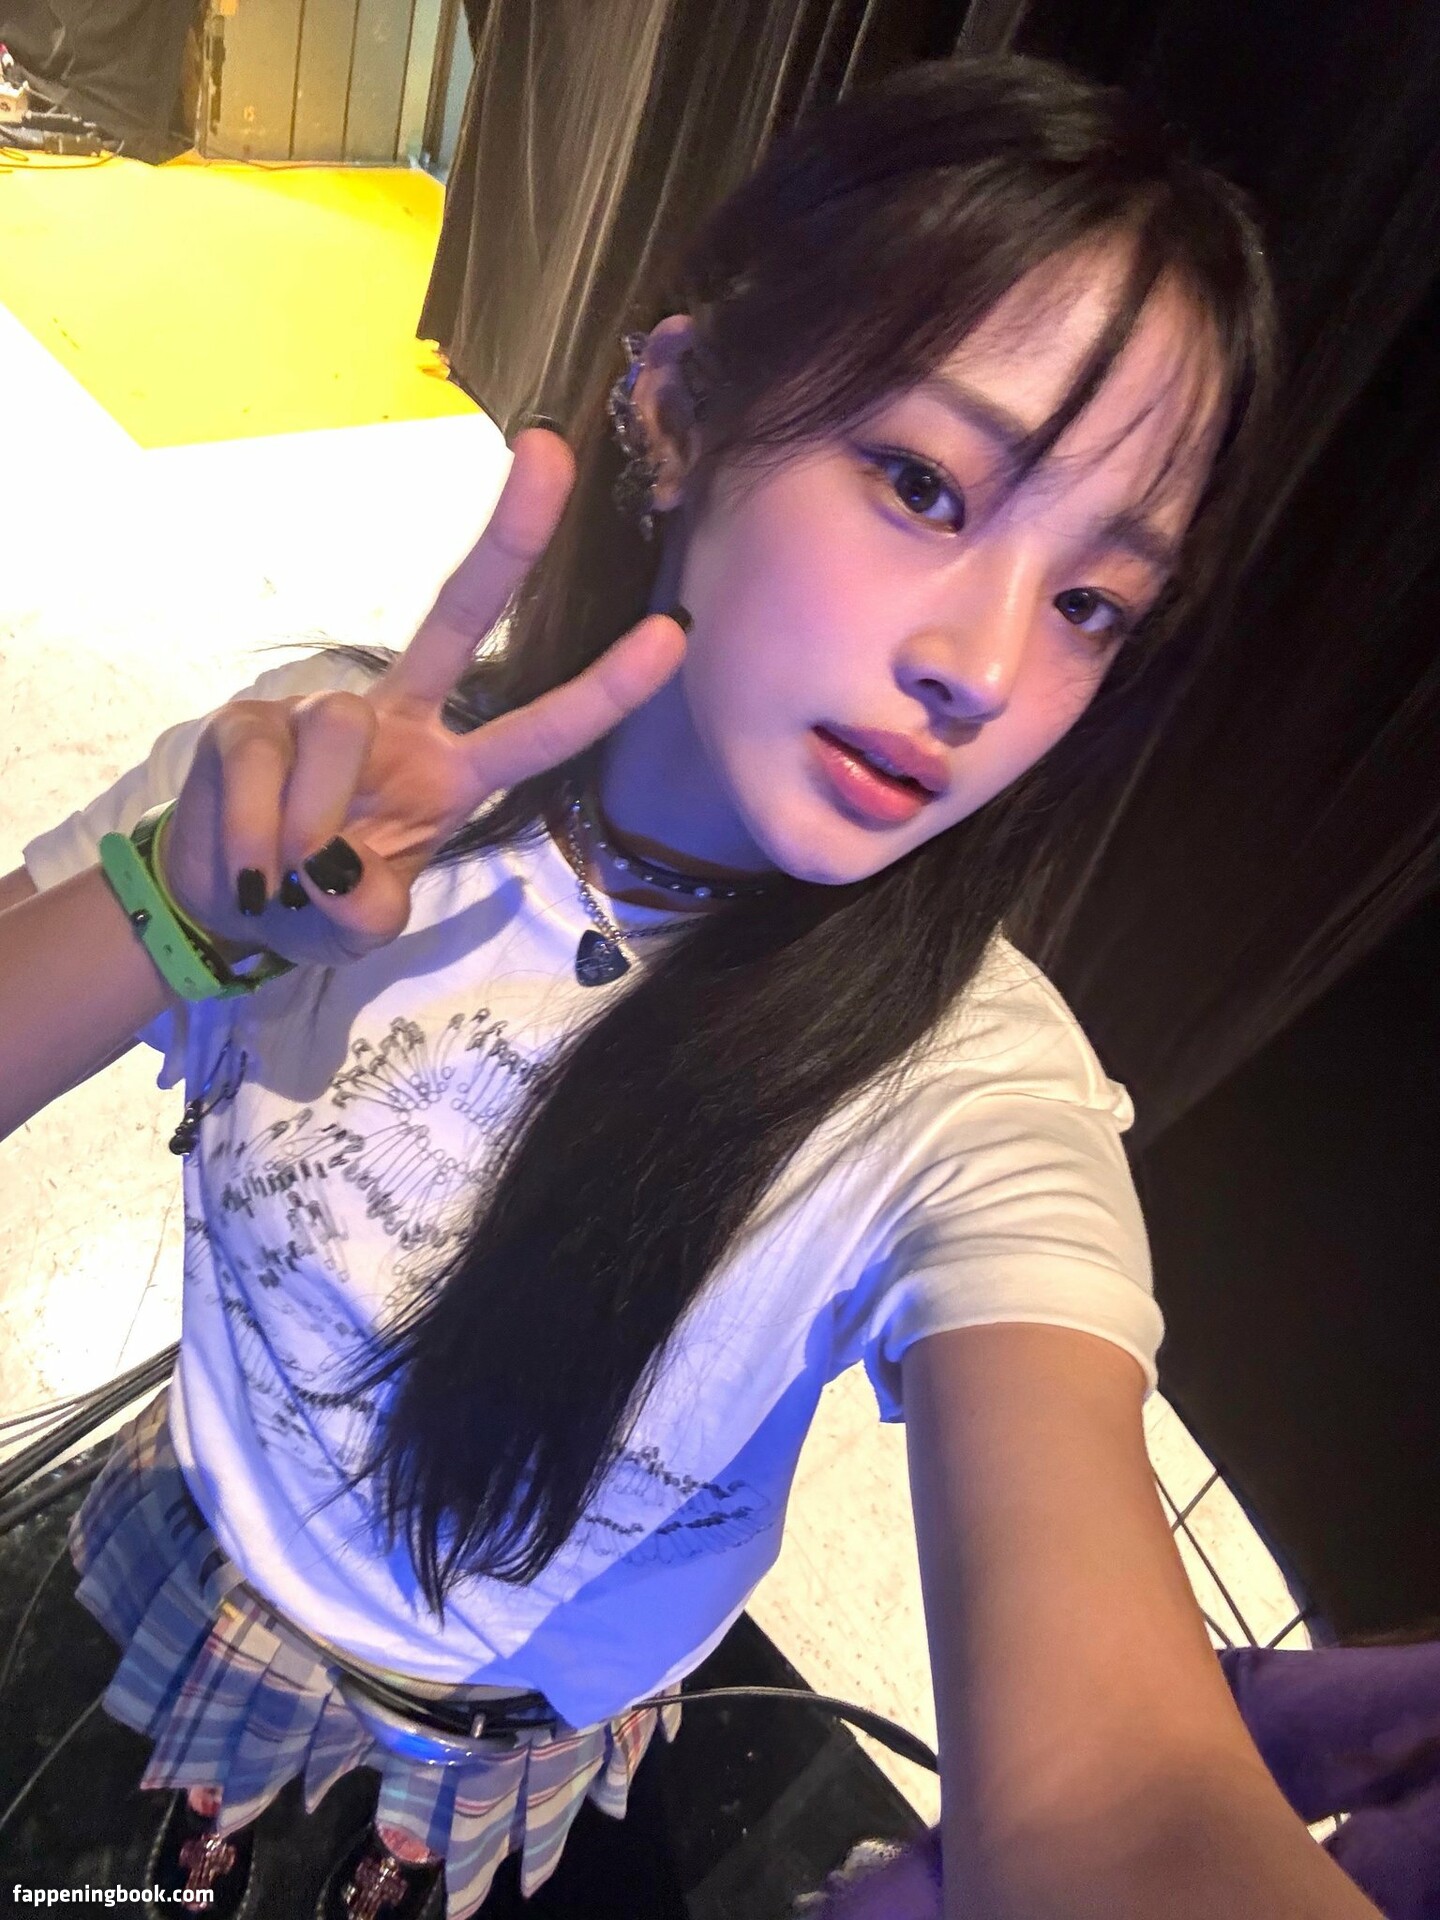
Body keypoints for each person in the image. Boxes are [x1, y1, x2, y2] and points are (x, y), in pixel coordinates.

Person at [0, 48, 1390, 1920]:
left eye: (1091, 603)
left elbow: (1114, 1797)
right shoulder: (305, 795)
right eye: (924, 483)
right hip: (203, 1547)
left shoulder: (976, 1102)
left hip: (507, 1749)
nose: (985, 670)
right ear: (680, 410)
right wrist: (177, 914)